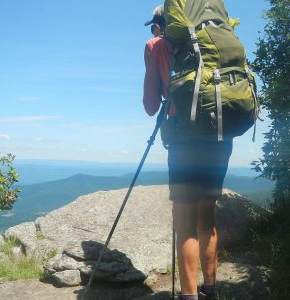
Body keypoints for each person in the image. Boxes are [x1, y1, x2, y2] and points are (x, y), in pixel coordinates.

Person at [143, 5, 233, 300]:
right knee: (207, 217)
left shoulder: (156, 45)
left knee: (185, 223)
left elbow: (150, 106)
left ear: (160, 24)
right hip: (220, 133)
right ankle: (211, 290)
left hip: (184, 138)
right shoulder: (215, 39)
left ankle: (189, 297)